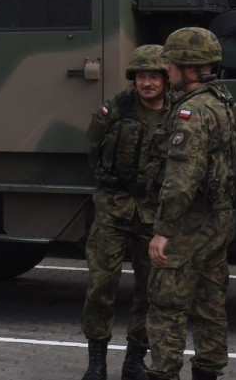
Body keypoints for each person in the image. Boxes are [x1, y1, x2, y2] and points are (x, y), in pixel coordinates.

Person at [146, 28, 236, 380]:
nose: (165, 71)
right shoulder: (227, 104)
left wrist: (163, 231)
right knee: (210, 305)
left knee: (167, 305)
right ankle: (208, 371)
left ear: (189, 69)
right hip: (219, 222)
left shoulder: (192, 112)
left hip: (189, 222)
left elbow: (182, 177)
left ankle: (164, 371)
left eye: (170, 65)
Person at [80, 45, 171, 380]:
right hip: (113, 209)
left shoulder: (177, 112)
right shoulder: (116, 108)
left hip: (153, 215)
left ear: (165, 78)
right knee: (101, 285)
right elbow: (94, 148)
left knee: (150, 291)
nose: (147, 83)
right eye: (142, 76)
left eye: (154, 76)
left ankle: (134, 361)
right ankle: (96, 362)